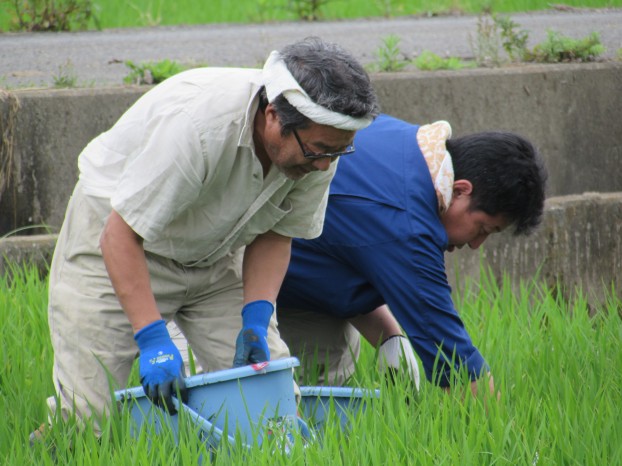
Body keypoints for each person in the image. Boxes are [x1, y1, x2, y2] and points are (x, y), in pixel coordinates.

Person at [33, 37, 379, 441]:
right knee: (87, 419)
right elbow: (120, 235)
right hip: (118, 244)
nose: (324, 165)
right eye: (318, 150)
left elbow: (277, 233)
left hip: (214, 255)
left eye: (337, 152)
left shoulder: (318, 154)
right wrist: (152, 339)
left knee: (273, 405)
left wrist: (255, 319)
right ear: (273, 116)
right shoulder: (197, 127)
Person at [276, 113, 547, 396]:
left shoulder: (405, 141)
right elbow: (454, 360)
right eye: (483, 229)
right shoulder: (409, 223)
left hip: (287, 267)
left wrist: (389, 337)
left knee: (328, 388)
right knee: (265, 402)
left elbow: (345, 249)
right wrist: (501, 431)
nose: (476, 244)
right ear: (460, 190)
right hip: (237, 265)